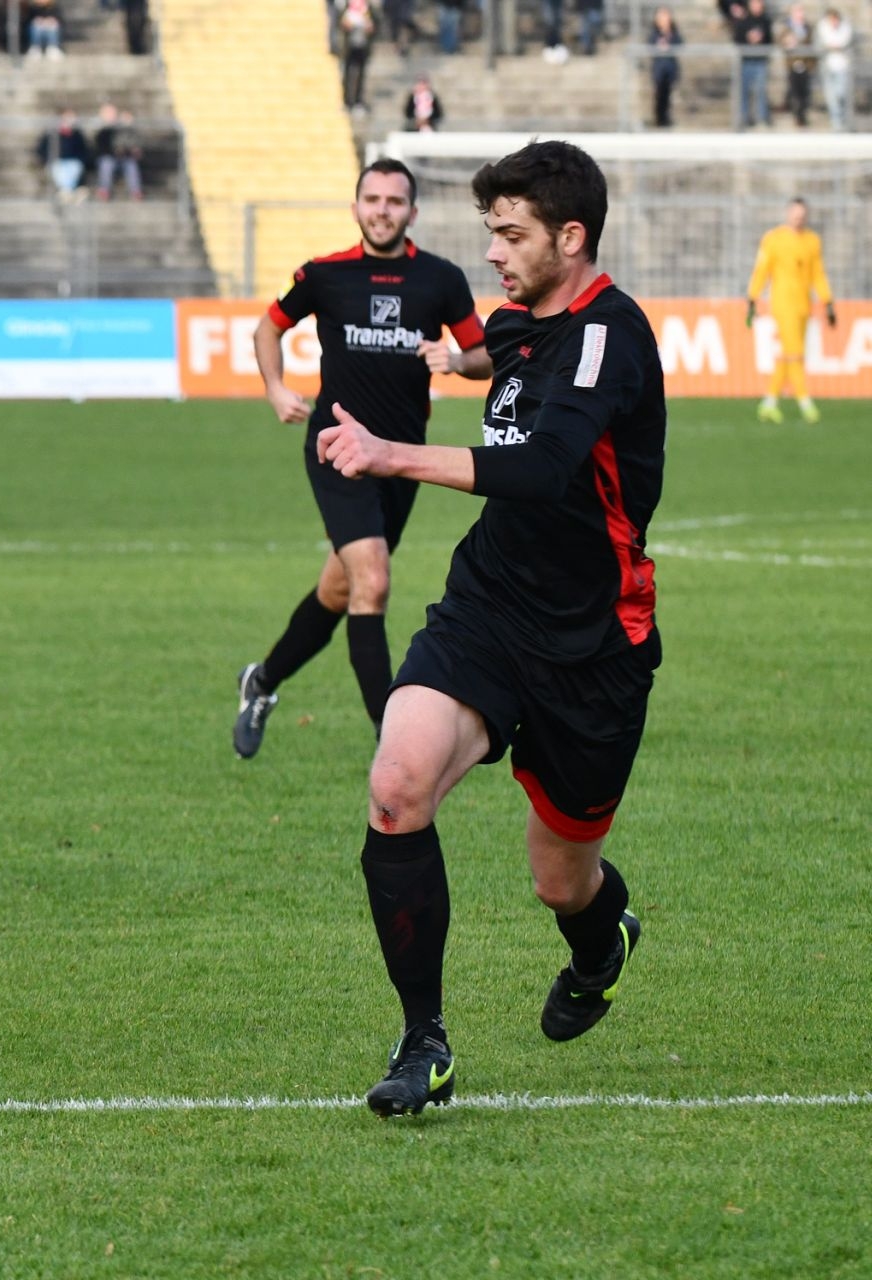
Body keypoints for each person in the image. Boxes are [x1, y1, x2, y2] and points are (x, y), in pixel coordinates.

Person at [314, 140, 665, 1119]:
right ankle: (423, 1040)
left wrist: (393, 453)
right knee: (397, 784)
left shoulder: (610, 336)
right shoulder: (516, 322)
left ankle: (603, 940)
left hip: (595, 643)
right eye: (490, 233)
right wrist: (453, 356)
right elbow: (496, 355)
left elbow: (547, 467)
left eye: (511, 235)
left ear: (571, 236)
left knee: (562, 878)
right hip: (488, 609)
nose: (496, 253)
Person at [234, 159, 490, 759]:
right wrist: (275, 388)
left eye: (394, 201)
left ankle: (262, 682)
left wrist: (454, 361)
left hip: (400, 460)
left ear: (412, 213)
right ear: (356, 209)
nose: (382, 210)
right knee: (372, 580)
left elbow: (485, 358)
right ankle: (393, 740)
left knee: (339, 590)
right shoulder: (324, 275)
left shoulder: (441, 279)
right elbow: (266, 330)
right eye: (372, 199)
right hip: (336, 448)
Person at [747, 197, 835, 423]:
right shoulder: (774, 239)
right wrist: (753, 296)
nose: (799, 218)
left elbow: (818, 273)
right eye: (795, 214)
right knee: (795, 353)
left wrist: (827, 300)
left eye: (802, 214)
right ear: (788, 214)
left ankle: (768, 403)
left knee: (787, 355)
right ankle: (805, 403)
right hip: (783, 304)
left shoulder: (812, 241)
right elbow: (762, 269)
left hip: (804, 305)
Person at [93, 103, 144, 201]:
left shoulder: (123, 128)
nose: (111, 116)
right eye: (108, 114)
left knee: (131, 164)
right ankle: (104, 190)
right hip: (108, 158)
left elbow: (131, 143)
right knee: (106, 164)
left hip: (124, 157)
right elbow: (100, 147)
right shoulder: (100, 130)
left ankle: (136, 192)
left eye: (113, 113)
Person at [37, 108, 89, 200]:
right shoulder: (52, 133)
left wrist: (80, 160)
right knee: (57, 169)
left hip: (73, 162)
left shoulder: (77, 134)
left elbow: (84, 151)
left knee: (74, 167)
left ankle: (66, 191)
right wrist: (48, 159)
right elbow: (41, 149)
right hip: (57, 162)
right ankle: (70, 191)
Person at [736, 0, 774, 128]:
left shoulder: (765, 21)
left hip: (760, 60)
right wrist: (748, 38)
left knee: (761, 91)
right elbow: (737, 39)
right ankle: (744, 118)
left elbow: (770, 39)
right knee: (744, 91)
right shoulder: (743, 21)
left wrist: (761, 39)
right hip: (746, 60)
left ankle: (761, 119)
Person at [782, 3, 818, 126]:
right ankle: (797, 117)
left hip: (805, 65)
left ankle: (802, 117)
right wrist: (787, 42)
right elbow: (781, 41)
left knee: (804, 93)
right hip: (793, 65)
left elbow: (812, 43)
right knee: (795, 93)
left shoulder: (807, 27)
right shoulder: (787, 28)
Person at [818, 7, 853, 129]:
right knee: (831, 97)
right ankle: (836, 123)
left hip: (842, 66)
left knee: (840, 94)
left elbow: (846, 43)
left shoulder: (845, 29)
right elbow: (820, 45)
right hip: (828, 67)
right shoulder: (823, 28)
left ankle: (843, 120)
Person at [337, 0, 376, 110]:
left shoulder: (368, 8)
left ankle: (358, 100)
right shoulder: (345, 7)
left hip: (363, 46)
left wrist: (370, 26)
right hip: (349, 47)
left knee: (361, 74)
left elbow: (376, 23)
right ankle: (347, 100)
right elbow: (338, 23)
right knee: (347, 74)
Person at [649, 8, 683, 126]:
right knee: (659, 94)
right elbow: (650, 44)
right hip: (659, 69)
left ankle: (666, 117)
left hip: (670, 68)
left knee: (668, 94)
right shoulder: (654, 33)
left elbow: (680, 43)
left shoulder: (674, 33)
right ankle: (659, 118)